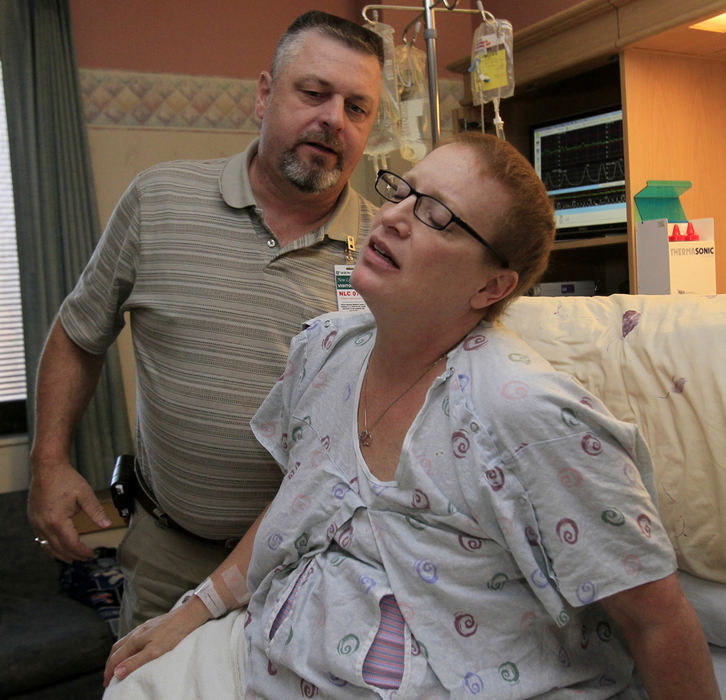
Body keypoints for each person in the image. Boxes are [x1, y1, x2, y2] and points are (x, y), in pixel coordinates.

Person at [101, 132, 720, 698]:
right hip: (275, 656)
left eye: (438, 216)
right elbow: (299, 501)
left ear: (492, 288)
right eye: (403, 192)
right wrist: (195, 608)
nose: (394, 217)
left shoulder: (528, 416)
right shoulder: (324, 351)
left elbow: (658, 622)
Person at [27, 10, 384, 635]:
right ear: (265, 93)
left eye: (357, 107)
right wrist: (49, 462)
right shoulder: (157, 200)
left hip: (316, 561)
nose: (334, 118)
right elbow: (78, 334)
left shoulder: (387, 248)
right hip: (172, 554)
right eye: (314, 93)